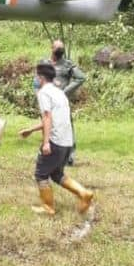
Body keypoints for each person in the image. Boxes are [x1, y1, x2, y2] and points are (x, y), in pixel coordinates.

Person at [20, 64, 94, 215]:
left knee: (41, 174)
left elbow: (47, 117)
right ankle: (83, 193)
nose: (35, 79)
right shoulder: (59, 93)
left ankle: (48, 207)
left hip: (55, 141)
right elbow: (55, 119)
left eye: (36, 76)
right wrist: (31, 130)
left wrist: (46, 142)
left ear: (41, 78)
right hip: (67, 142)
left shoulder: (44, 93)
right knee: (56, 174)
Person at [38, 39, 86, 165]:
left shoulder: (68, 65)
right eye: (57, 49)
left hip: (61, 103)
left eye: (61, 50)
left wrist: (65, 91)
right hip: (48, 100)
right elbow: (37, 80)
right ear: (51, 48)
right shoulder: (44, 63)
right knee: (46, 126)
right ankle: (46, 151)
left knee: (65, 126)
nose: (59, 52)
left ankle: (68, 157)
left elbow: (81, 77)